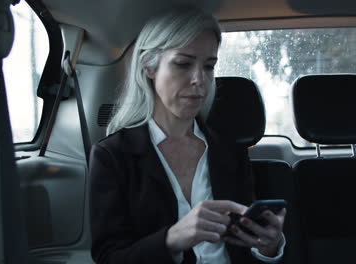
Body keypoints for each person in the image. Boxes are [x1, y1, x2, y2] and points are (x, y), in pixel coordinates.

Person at [89, 6, 286, 264]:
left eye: (209, 66)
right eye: (183, 64)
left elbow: (247, 244)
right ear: (150, 66)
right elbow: (109, 258)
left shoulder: (230, 151)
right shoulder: (113, 155)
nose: (199, 80)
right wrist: (172, 239)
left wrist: (269, 247)